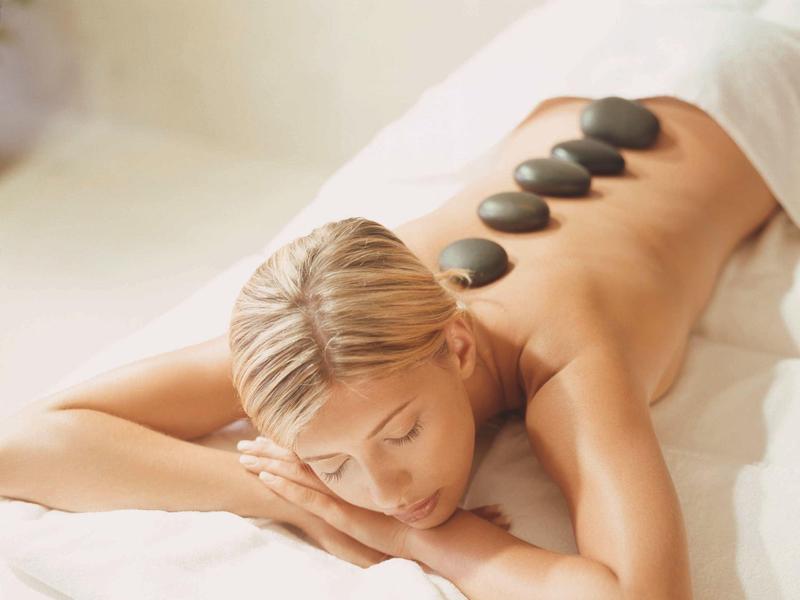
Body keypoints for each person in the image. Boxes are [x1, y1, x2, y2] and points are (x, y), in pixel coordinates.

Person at [0, 95, 780, 599]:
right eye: (329, 462)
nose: (382, 488)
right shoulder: (321, 331)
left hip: (751, 107)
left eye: (402, 431)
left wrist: (414, 537)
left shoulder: (562, 345)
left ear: (459, 344)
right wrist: (293, 500)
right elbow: (22, 443)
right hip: (560, 108)